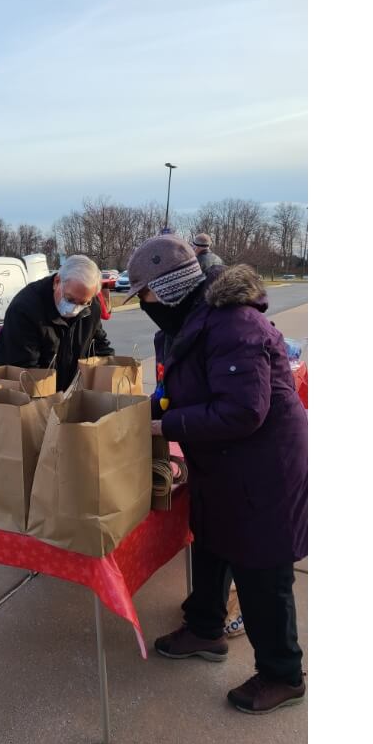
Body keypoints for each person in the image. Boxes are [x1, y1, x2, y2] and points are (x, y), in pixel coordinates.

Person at [124, 234, 308, 715]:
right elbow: (176, 387)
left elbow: (244, 411)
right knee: (209, 540)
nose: (141, 304)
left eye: (143, 293)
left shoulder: (234, 325)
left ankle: (282, 674)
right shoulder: (187, 324)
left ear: (169, 287)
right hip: (222, 460)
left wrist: (167, 425)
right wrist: (147, 411)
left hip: (262, 465)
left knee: (260, 568)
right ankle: (205, 627)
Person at [0, 254, 114, 390]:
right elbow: (25, 371)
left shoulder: (92, 306)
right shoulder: (25, 308)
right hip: (17, 393)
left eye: (83, 303)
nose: (75, 308)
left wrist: (111, 375)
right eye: (70, 299)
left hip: (57, 391)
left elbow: (99, 346)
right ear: (57, 282)